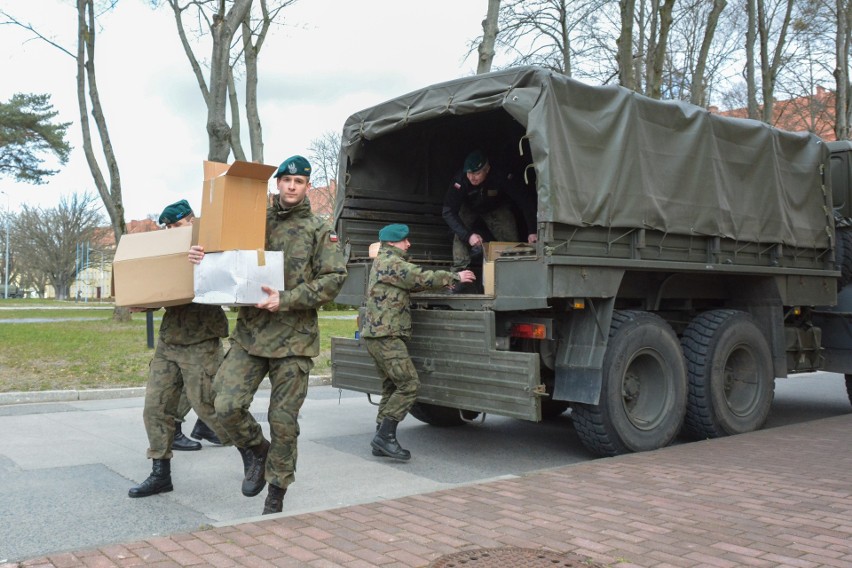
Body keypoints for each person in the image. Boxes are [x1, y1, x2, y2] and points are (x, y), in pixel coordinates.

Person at [189, 155, 347, 515]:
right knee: (225, 404)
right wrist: (202, 255)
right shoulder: (253, 221)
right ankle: (255, 450)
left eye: (299, 181)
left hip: (294, 339)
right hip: (251, 334)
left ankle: (277, 488)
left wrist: (287, 299)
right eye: (286, 180)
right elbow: (224, 255)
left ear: (307, 186)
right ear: (277, 184)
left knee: (283, 421)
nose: (292, 186)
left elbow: (334, 279)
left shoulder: (320, 229)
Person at [128, 199, 232, 498]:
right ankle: (161, 473)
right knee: (155, 409)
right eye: (170, 227)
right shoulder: (168, 252)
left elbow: (227, 283)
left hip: (202, 341)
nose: (175, 231)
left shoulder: (212, 247)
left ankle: (254, 452)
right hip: (170, 340)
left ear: (192, 220)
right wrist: (142, 303)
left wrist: (205, 262)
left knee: (211, 408)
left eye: (180, 224)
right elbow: (161, 293)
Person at [361, 223, 475, 461]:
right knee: (409, 384)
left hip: (379, 336)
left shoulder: (383, 262)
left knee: (392, 387)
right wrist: (455, 276)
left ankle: (381, 439)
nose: (409, 244)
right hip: (386, 336)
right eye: (405, 240)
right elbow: (418, 277)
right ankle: (385, 437)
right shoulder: (391, 263)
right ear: (393, 243)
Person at [442, 150, 537, 291]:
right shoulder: (460, 179)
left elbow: (524, 202)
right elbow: (448, 211)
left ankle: (510, 273)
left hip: (496, 207)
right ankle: (459, 275)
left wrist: (532, 230)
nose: (472, 177)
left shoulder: (501, 175)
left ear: (487, 170)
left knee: (510, 238)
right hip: (468, 207)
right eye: (469, 173)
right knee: (459, 235)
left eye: (477, 173)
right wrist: (468, 236)